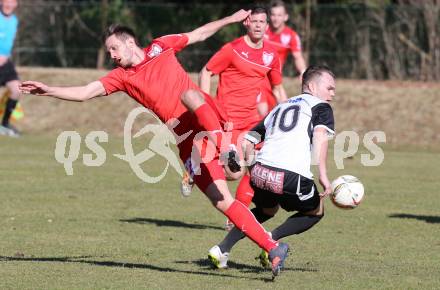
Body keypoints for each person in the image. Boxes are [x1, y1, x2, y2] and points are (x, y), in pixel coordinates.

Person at [19, 10, 290, 278]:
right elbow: (86, 92)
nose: (112, 55)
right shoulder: (122, 77)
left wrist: (230, 20)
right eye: (109, 51)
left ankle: (227, 147)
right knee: (223, 202)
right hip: (188, 141)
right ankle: (273, 247)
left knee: (189, 95)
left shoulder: (161, 46)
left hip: (207, 117)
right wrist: (49, 90)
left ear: (129, 42)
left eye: (113, 48)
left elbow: (199, 34)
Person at [208, 65, 335, 270]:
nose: (332, 93)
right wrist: (323, 176)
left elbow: (248, 140)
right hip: (291, 176)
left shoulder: (281, 106)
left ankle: (222, 249)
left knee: (267, 209)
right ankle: (270, 240)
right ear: (312, 86)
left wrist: (253, 170)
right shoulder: (321, 107)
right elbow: (320, 136)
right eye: (329, 88)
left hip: (260, 172)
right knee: (316, 210)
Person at [191, 6, 288, 231]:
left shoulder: (271, 55)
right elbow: (206, 71)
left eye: (262, 22)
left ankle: (234, 217)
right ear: (246, 23)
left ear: (267, 25)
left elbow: (278, 88)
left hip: (252, 122)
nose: (258, 25)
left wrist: (288, 116)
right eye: (254, 21)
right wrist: (206, 106)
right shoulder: (232, 49)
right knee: (234, 174)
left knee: (257, 167)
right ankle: (195, 167)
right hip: (227, 121)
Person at [257, 0, 307, 117]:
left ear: (286, 17)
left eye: (279, 15)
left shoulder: (291, 36)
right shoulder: (261, 30)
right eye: (273, 15)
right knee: (262, 111)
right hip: (257, 78)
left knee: (283, 112)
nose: (276, 18)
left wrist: (303, 72)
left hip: (275, 81)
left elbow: (298, 57)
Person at [0, 0, 21, 137]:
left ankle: (4, 124)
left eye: (12, 2)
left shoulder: (14, 20)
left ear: (16, 4)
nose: (9, 4)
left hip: (6, 63)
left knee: (17, 89)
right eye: (6, 1)